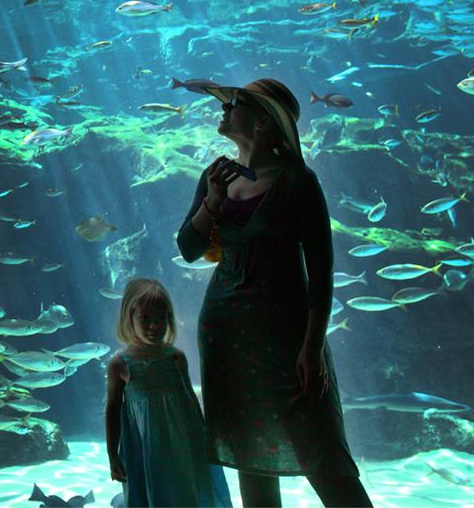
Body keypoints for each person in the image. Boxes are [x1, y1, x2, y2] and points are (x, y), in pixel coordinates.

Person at [176, 78, 374, 507]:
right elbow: (188, 249)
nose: (226, 108)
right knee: (250, 451)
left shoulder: (299, 181)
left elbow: (322, 273)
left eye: (237, 103)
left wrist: (312, 346)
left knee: (323, 452)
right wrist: (211, 200)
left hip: (287, 337)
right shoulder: (216, 175)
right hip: (226, 337)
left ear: (265, 122)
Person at [105, 278, 233, 507]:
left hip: (184, 445)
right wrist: (112, 455)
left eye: (161, 318)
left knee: (187, 492)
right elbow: (112, 410)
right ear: (129, 318)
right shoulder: (120, 364)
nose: (154, 325)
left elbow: (190, 401)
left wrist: (206, 439)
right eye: (145, 318)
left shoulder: (176, 358)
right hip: (146, 448)